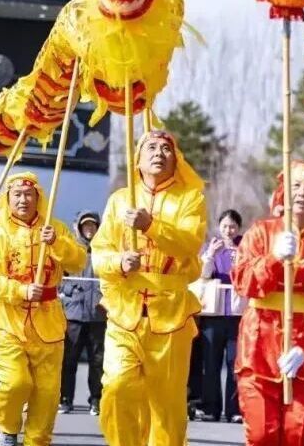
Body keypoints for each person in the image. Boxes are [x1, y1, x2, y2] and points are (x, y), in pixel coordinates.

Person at [93, 130, 208, 446]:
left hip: (171, 312)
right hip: (124, 309)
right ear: (137, 159)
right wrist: (119, 262)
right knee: (117, 386)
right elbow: (99, 252)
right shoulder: (120, 200)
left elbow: (190, 243)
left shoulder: (191, 198)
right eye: (151, 147)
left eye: (166, 148)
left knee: (167, 403)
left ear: (176, 159)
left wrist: (151, 226)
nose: (159, 153)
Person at [231, 162, 304, 446]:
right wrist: (273, 258)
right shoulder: (261, 232)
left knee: (296, 434)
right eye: (296, 186)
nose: (303, 193)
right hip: (258, 344)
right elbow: (243, 282)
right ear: (284, 191)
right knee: (261, 434)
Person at [0, 172, 87, 446]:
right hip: (9, 321)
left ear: (38, 197)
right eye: (17, 195)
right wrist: (21, 290)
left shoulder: (55, 228)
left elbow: (78, 261)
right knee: (16, 382)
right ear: (8, 199)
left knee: (48, 392)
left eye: (29, 194)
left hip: (48, 320)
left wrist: (57, 243)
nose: (23, 200)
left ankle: (37, 440)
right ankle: (9, 428)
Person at [198, 209, 243, 423]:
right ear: (219, 227)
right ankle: (210, 408)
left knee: (235, 363)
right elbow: (204, 274)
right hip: (213, 314)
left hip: (237, 315)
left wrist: (240, 256)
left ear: (239, 228)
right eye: (225, 226)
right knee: (211, 362)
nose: (228, 230)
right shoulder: (211, 247)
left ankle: (234, 410)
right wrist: (210, 255)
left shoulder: (246, 247)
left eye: (232, 226)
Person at [59, 210, 106, 416]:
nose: (89, 229)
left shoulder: (104, 249)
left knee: (98, 361)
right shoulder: (71, 249)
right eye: (86, 225)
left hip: (98, 314)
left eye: (93, 225)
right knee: (69, 359)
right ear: (79, 227)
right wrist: (71, 289)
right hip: (74, 314)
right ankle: (65, 399)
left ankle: (96, 399)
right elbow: (59, 276)